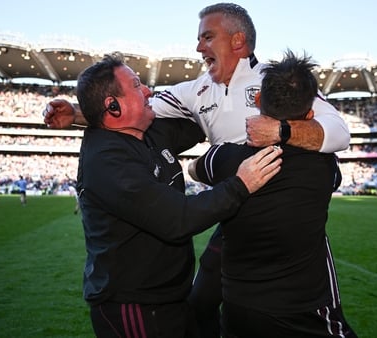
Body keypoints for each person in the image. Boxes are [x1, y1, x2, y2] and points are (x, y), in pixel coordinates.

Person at [42, 3, 350, 336]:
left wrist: (282, 131)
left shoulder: (277, 81)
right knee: (204, 300)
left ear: (238, 42)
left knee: (299, 300)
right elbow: (134, 111)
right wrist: (76, 112)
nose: (198, 47)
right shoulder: (195, 90)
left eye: (207, 37)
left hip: (282, 208)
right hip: (234, 207)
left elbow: (339, 130)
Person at [74, 53, 282, 338]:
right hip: (135, 308)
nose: (149, 91)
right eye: (136, 86)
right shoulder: (107, 161)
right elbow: (178, 219)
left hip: (171, 299)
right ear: (113, 106)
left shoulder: (146, 133)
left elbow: (206, 117)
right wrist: (242, 183)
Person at [188, 50, 357, 338]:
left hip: (238, 308)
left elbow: (194, 169)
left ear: (257, 101)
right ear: (310, 114)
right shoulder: (324, 166)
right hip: (304, 309)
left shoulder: (224, 159)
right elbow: (334, 150)